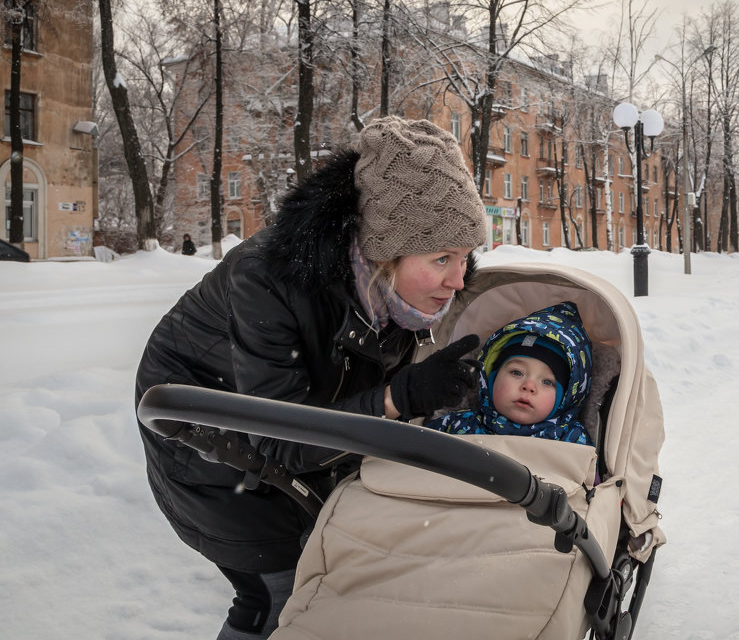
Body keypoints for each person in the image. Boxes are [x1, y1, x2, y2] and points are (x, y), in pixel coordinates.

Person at [134, 117, 488, 640]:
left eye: (463, 257)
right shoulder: (268, 280)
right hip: (207, 437)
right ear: (385, 250)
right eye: (442, 259)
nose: (458, 280)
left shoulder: (393, 293)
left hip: (294, 427)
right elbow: (279, 441)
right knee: (275, 594)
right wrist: (398, 397)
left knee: (331, 571)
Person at [425, 301, 593, 445]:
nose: (528, 386)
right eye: (517, 372)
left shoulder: (573, 441)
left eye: (547, 382)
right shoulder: (458, 425)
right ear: (491, 378)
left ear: (565, 398)